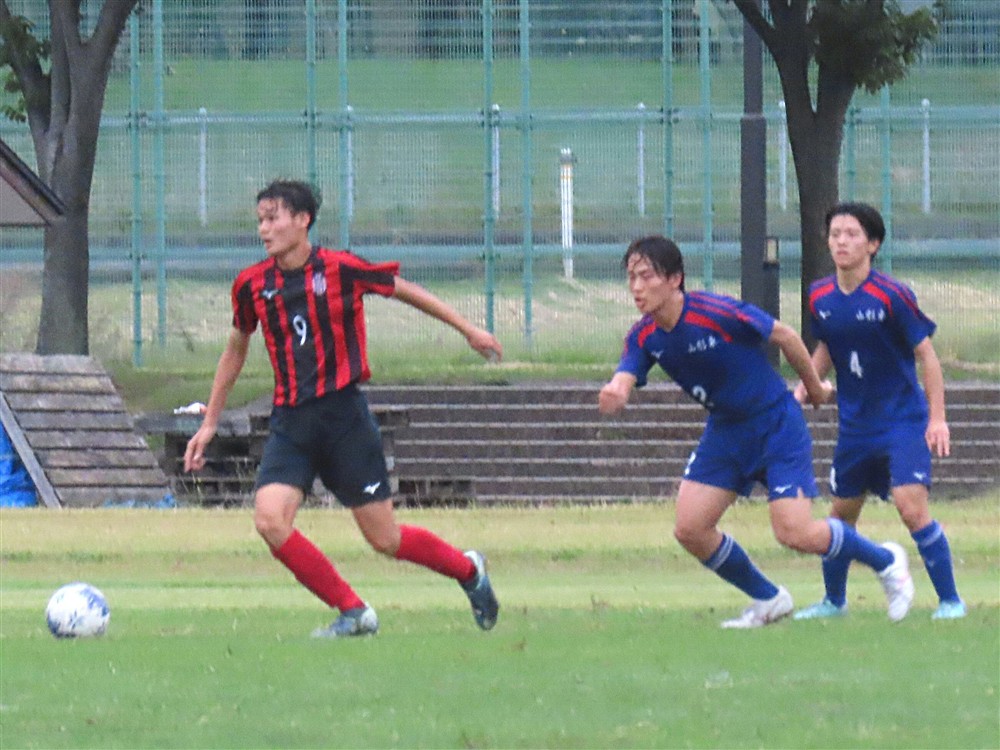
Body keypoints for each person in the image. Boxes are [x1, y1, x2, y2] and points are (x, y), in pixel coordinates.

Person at [183, 179, 501, 638]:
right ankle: (354, 611)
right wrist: (210, 421)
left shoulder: (340, 269)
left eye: (272, 218)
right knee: (270, 520)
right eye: (260, 221)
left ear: (302, 220)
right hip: (291, 423)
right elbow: (236, 347)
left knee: (385, 539)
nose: (264, 229)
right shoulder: (252, 285)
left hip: (344, 421)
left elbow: (405, 290)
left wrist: (469, 330)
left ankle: (469, 571)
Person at [598, 235, 915, 628]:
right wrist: (617, 390)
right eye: (631, 278)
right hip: (726, 433)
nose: (636, 287)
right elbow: (625, 373)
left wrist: (813, 388)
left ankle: (886, 561)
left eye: (646, 276)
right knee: (691, 529)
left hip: (775, 424)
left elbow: (785, 336)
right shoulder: (644, 335)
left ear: (675, 279)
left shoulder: (714, 311)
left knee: (795, 533)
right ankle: (769, 598)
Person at [793, 202, 965, 621]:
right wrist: (804, 390)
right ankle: (834, 602)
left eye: (852, 234)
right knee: (840, 515)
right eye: (835, 234)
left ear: (872, 244)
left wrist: (937, 419)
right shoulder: (819, 295)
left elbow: (927, 356)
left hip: (902, 421)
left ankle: (950, 601)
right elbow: (827, 347)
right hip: (855, 427)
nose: (842, 242)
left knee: (911, 507)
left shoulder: (892, 295)